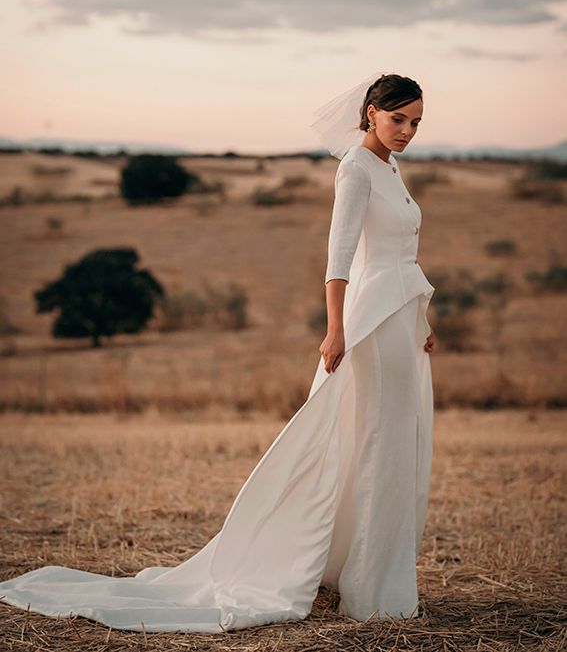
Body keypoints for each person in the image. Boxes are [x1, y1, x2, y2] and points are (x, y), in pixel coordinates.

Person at [0, 71, 436, 634]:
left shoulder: (391, 168)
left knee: (395, 441)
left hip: (403, 318)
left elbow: (403, 254)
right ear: (371, 112)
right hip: (370, 323)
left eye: (416, 123)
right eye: (398, 118)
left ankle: (362, 571)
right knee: (378, 442)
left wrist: (423, 320)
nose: (406, 131)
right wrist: (335, 330)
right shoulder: (355, 168)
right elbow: (341, 259)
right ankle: (374, 592)